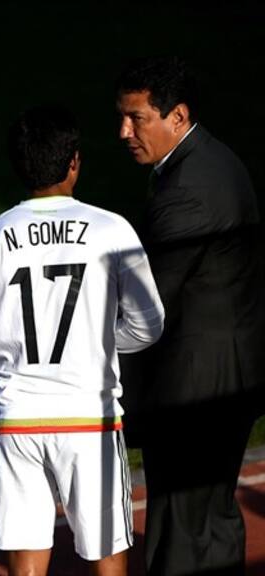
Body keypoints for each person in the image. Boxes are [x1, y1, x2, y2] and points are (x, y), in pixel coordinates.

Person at [0, 105, 165, 576]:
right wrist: (99, 341)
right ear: (74, 163)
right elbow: (149, 325)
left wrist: (5, 336)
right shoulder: (112, 230)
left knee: (25, 564)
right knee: (107, 558)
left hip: (15, 423)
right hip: (90, 420)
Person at [116, 56, 265, 575]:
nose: (124, 131)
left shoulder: (186, 191)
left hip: (195, 386)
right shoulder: (213, 161)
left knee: (181, 528)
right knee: (211, 519)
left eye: (136, 118)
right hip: (229, 372)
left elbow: (148, 302)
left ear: (176, 116)